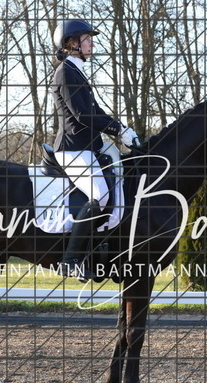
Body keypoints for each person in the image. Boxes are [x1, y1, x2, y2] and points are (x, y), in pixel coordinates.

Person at [51, 19, 140, 279]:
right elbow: (81, 115)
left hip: (89, 148)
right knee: (100, 195)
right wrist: (117, 130)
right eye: (87, 39)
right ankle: (71, 260)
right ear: (72, 43)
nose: (91, 44)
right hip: (72, 149)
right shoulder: (65, 72)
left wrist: (122, 128)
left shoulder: (76, 71)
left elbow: (96, 111)